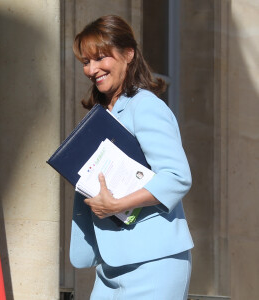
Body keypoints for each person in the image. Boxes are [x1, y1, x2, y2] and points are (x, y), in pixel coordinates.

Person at [69, 15, 193, 300]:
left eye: (101, 57)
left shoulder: (145, 106)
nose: (92, 69)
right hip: (110, 264)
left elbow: (176, 177)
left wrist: (117, 204)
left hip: (155, 263)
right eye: (86, 62)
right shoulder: (102, 116)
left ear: (128, 53)